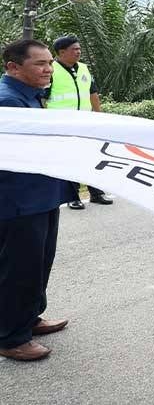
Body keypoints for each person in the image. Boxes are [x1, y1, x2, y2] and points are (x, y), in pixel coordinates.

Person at [0, 39, 75, 361]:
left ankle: (29, 318)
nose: (49, 69)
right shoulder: (7, 103)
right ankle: (11, 336)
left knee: (39, 262)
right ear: (13, 67)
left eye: (49, 63)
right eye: (40, 64)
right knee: (19, 268)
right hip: (18, 201)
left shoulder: (28, 97)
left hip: (40, 196)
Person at [46, 35, 112, 210]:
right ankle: (72, 196)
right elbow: (43, 98)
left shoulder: (83, 68)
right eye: (74, 49)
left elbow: (93, 93)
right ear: (61, 52)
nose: (78, 52)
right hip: (62, 125)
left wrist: (99, 115)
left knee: (91, 157)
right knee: (69, 160)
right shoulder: (51, 70)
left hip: (86, 123)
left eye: (79, 49)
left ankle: (96, 193)